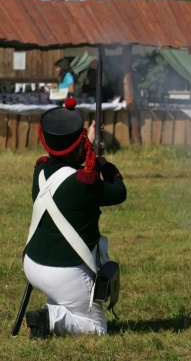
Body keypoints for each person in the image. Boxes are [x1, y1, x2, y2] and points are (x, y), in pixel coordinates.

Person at [22, 97, 127, 339]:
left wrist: (86, 144)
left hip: (33, 264)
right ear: (78, 142)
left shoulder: (40, 169)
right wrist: (101, 160)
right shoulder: (82, 183)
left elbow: (68, 167)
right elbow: (119, 192)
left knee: (71, 300)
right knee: (97, 327)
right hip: (65, 272)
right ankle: (51, 318)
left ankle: (50, 310)